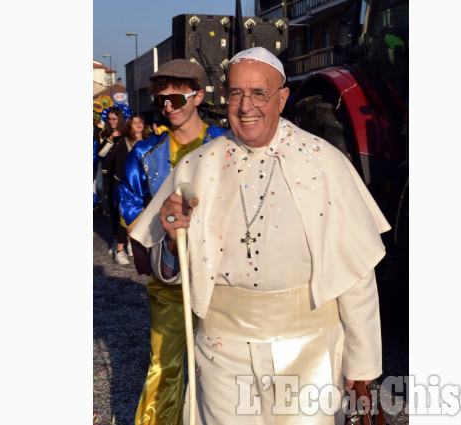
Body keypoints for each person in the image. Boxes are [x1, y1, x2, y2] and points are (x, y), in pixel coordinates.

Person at [129, 47, 391, 425]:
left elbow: (357, 276)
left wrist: (363, 369)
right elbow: (164, 271)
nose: (245, 106)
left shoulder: (326, 162)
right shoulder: (196, 166)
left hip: (310, 352)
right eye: (235, 93)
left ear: (282, 98)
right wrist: (171, 241)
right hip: (222, 354)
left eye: (258, 94)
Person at [115, 59, 227, 425]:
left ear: (197, 96)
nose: (167, 106)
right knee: (165, 364)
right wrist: (140, 249)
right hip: (168, 279)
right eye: (161, 99)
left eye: (176, 99)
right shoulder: (144, 154)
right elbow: (130, 203)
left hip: (223, 278)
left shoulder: (226, 145)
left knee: (221, 367)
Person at [111, 115, 153, 262]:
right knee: (126, 218)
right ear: (129, 127)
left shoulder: (149, 142)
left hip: (145, 188)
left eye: (140, 122)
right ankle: (119, 251)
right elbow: (120, 167)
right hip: (127, 187)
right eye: (134, 123)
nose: (138, 125)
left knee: (142, 218)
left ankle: (132, 245)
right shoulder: (125, 143)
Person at [98, 106, 129, 264]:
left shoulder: (126, 134)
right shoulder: (104, 134)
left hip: (124, 177)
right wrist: (111, 138)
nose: (111, 122)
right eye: (109, 119)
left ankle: (126, 241)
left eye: (114, 119)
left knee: (125, 210)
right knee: (113, 210)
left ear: (120, 119)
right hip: (108, 177)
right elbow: (100, 153)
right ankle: (116, 240)